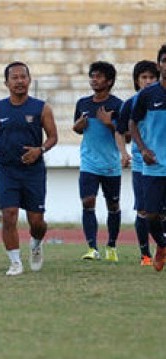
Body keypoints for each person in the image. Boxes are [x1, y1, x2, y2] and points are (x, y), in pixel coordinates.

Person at [0, 61, 58, 276]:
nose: (19, 81)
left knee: (37, 221)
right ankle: (15, 262)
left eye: (23, 77)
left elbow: (53, 137)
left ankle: (36, 243)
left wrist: (40, 150)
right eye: (14, 78)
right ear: (6, 82)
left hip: (33, 171)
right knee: (9, 215)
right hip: (7, 171)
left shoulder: (41, 108)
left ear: (29, 80)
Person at [73, 61, 124, 262]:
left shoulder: (118, 105)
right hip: (89, 163)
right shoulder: (82, 103)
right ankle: (92, 248)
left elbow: (126, 135)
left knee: (113, 205)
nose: (94, 79)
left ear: (109, 81)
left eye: (99, 76)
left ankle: (111, 246)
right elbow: (77, 129)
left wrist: (109, 123)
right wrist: (78, 125)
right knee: (88, 201)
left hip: (111, 163)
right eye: (92, 76)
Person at [117, 60, 159, 266]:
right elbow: (120, 130)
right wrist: (124, 153)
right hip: (142, 165)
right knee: (143, 210)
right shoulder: (131, 103)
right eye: (144, 78)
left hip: (163, 162)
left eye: (152, 77)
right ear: (136, 81)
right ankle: (145, 254)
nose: (148, 81)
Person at [130, 44, 166, 272]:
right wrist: (142, 149)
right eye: (165, 60)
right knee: (151, 214)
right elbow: (132, 122)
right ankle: (162, 246)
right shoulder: (147, 95)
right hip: (154, 165)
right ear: (160, 64)